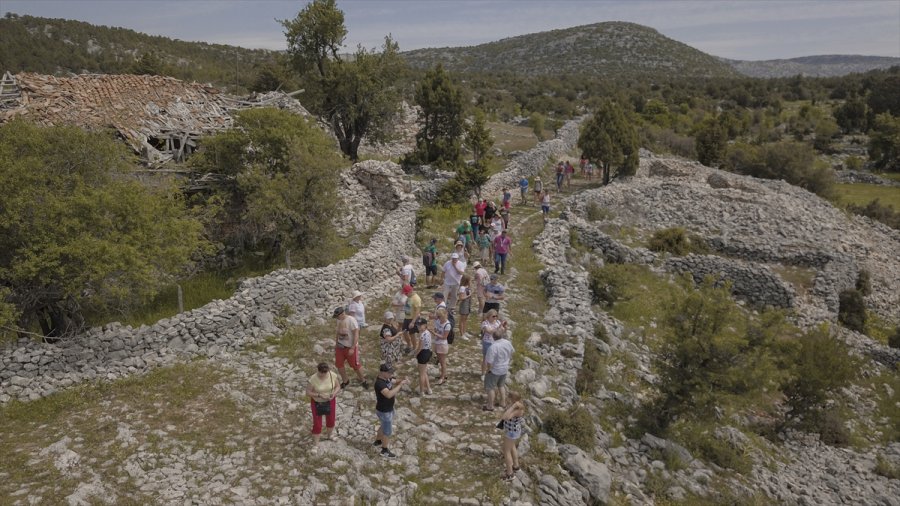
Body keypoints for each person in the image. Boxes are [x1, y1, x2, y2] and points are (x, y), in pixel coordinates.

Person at [373, 363, 408, 459]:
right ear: (383, 372)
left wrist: (402, 381)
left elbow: (394, 381)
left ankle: (378, 441)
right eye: (389, 373)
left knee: (383, 426)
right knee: (387, 432)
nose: (391, 374)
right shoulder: (379, 383)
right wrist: (400, 385)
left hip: (387, 409)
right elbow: (388, 394)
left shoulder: (386, 378)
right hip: (384, 411)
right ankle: (384, 451)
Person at [306, 362, 342, 451]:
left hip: (330, 401)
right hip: (317, 402)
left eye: (325, 373)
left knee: (331, 419)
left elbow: (338, 386)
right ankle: (316, 445)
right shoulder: (313, 379)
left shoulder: (332, 375)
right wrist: (319, 395)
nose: (323, 375)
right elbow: (308, 392)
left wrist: (334, 393)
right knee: (317, 423)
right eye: (321, 373)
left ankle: (329, 435)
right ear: (318, 371)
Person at [333, 306, 368, 389]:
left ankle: (363, 380)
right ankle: (345, 380)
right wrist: (336, 342)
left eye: (338, 316)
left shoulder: (351, 320)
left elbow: (356, 334)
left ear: (342, 314)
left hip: (350, 346)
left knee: (355, 365)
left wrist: (352, 347)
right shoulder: (338, 320)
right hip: (340, 346)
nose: (337, 318)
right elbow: (337, 332)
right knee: (339, 364)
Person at [482, 328, 514, 411]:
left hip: (495, 370)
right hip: (504, 368)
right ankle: (503, 402)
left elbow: (489, 361)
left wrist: (488, 370)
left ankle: (490, 406)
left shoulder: (493, 347)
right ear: (502, 335)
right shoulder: (508, 343)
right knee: (501, 385)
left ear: (493, 337)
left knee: (490, 388)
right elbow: (512, 352)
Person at [500, 391, 526, 481]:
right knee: (512, 447)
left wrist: (513, 407)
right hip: (515, 431)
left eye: (509, 397)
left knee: (506, 451)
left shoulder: (516, 409)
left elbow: (505, 417)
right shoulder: (520, 405)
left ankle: (510, 473)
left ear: (513, 399)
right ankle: (516, 466)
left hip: (511, 432)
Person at [411, 317, 433, 395]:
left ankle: (421, 391)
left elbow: (420, 347)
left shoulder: (422, 335)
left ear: (425, 325)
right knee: (424, 371)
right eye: (418, 325)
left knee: (421, 374)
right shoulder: (428, 332)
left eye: (421, 325)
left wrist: (415, 354)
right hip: (428, 351)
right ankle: (429, 389)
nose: (419, 326)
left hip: (423, 353)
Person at [401, 282, 422, 354]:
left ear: (410, 291)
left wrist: (413, 322)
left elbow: (417, 311)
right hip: (407, 317)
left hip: (412, 318)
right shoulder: (409, 297)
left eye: (406, 293)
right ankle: (409, 345)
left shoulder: (416, 298)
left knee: (412, 334)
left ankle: (414, 348)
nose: (405, 295)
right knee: (404, 331)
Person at [433, 308, 452, 385]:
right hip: (437, 342)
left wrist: (435, 334)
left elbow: (444, 337)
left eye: (439, 316)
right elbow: (436, 328)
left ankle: (443, 377)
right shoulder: (438, 321)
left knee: (443, 362)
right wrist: (435, 330)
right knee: (440, 361)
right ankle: (443, 374)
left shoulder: (447, 325)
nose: (437, 318)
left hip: (442, 344)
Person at [457, 274, 472, 340]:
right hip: (464, 304)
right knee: (462, 319)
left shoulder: (467, 287)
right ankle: (462, 334)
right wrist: (469, 295)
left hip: (468, 303)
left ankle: (464, 331)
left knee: (465, 319)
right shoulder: (462, 288)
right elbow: (461, 298)